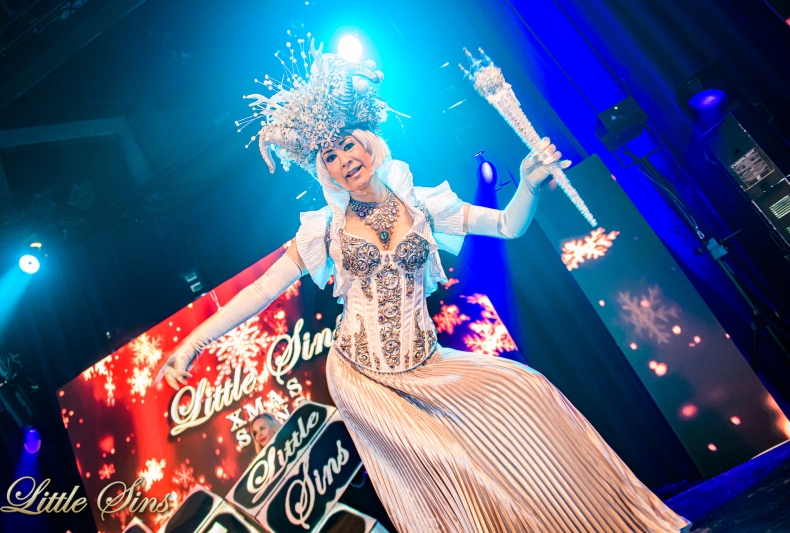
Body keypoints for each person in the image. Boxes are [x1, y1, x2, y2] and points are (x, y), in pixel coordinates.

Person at [154, 41, 690, 532]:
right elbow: (261, 292)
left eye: (347, 147)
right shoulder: (323, 230)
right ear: (325, 172)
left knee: (528, 392)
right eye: (331, 158)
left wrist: (527, 184)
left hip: (426, 362)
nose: (344, 161)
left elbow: (508, 226)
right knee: (450, 467)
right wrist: (192, 342)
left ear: (368, 144)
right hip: (361, 374)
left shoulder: (424, 204)